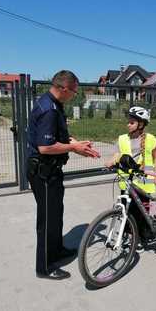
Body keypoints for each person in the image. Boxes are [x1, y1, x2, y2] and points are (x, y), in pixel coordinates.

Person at [27, 70, 100, 280]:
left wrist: (76, 143)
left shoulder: (53, 104)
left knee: (56, 214)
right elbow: (45, 147)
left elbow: (60, 136)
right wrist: (74, 148)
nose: (74, 95)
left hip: (51, 171)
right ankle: (45, 267)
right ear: (64, 88)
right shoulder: (49, 109)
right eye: (74, 91)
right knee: (48, 220)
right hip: (44, 172)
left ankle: (57, 250)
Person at [105, 106, 156, 252]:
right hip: (127, 183)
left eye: (131, 122)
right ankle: (128, 235)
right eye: (128, 122)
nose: (128, 124)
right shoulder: (122, 139)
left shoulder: (150, 139)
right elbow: (116, 154)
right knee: (126, 212)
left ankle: (141, 238)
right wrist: (110, 162)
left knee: (141, 214)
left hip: (144, 183)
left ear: (141, 124)